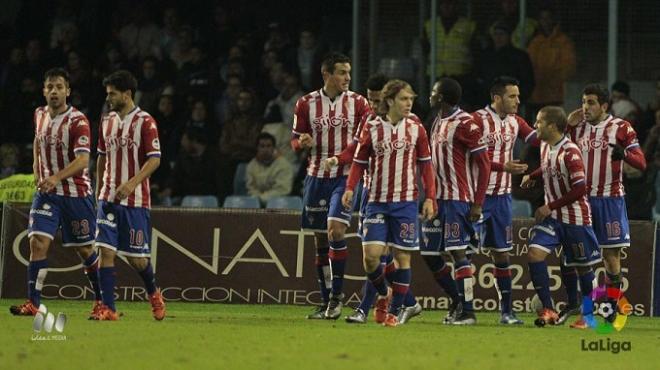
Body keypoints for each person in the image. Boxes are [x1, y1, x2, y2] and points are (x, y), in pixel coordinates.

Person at [328, 74, 422, 325]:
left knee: (385, 257)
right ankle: (403, 301)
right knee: (376, 257)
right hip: (372, 194)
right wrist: (339, 160)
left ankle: (367, 307)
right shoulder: (369, 122)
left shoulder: (413, 125)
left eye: (376, 99)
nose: (372, 104)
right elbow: (357, 152)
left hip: (401, 198)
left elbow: (424, 162)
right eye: (369, 99)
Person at [10, 68, 101, 317]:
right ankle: (33, 303)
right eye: (50, 87)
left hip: (76, 195)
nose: (54, 91)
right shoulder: (39, 114)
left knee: (85, 250)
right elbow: (38, 143)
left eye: (59, 87)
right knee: (37, 244)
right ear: (43, 90)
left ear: (67, 91)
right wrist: (36, 169)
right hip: (47, 195)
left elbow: (83, 160)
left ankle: (102, 300)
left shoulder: (78, 121)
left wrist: (55, 177)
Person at [291, 52, 369, 319]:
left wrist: (338, 159)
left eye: (349, 72)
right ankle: (326, 302)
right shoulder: (305, 103)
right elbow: (294, 140)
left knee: (336, 230)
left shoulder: (359, 103)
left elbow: (361, 143)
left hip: (345, 176)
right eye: (342, 72)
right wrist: (301, 143)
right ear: (327, 75)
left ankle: (337, 298)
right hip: (315, 177)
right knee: (320, 239)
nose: (348, 77)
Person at [562, 85, 646, 327]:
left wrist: (624, 155)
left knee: (611, 257)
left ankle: (609, 310)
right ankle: (585, 314)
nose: (585, 107)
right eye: (583, 101)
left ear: (604, 106)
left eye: (590, 102)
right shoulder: (577, 127)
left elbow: (641, 162)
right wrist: (568, 125)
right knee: (582, 260)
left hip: (610, 200)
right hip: (582, 201)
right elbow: (555, 150)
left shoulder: (621, 128)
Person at [92, 70, 165, 321]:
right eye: (107, 93)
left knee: (137, 259)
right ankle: (109, 308)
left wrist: (131, 184)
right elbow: (101, 156)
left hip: (135, 201)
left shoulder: (146, 122)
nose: (109, 98)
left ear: (127, 94)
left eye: (113, 93)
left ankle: (154, 292)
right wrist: (98, 189)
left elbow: (155, 159)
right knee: (106, 251)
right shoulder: (105, 121)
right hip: (108, 198)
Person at [520, 106, 602, 327]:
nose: (535, 125)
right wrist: (534, 175)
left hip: (575, 219)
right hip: (554, 219)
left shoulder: (571, 152)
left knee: (583, 268)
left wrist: (550, 206)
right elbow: (549, 168)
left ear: (553, 126)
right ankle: (548, 309)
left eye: (538, 121)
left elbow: (579, 189)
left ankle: (588, 314)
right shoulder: (546, 147)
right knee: (535, 254)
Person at [422, 77, 491, 325]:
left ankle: (468, 312)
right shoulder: (437, 121)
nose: (429, 95)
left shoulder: (466, 123)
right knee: (429, 252)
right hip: (438, 200)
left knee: (458, 253)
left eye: (433, 91)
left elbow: (483, 165)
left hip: (457, 199)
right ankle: (457, 299)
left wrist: (478, 203)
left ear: (441, 96)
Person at [471, 76, 539, 324]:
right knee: (463, 254)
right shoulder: (477, 120)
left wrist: (565, 128)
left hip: (501, 199)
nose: (517, 101)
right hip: (476, 196)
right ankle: (463, 309)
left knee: (502, 255)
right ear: (496, 97)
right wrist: (504, 167)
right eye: (512, 96)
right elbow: (471, 156)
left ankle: (507, 312)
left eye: (518, 96)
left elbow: (540, 139)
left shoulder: (515, 122)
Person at [526, 7, 576, 119]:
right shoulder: (535, 42)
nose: (545, 22)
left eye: (548, 18)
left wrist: (553, 77)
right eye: (543, 18)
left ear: (554, 20)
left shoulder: (563, 41)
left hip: (553, 95)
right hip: (535, 94)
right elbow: (528, 65)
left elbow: (569, 66)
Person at [246, 132, 294, 206]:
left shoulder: (284, 165)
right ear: (257, 148)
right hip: (256, 204)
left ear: (274, 148)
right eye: (262, 146)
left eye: (269, 146)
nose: (265, 149)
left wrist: (261, 198)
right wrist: (257, 199)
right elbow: (251, 188)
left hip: (279, 204)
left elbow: (283, 190)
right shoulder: (251, 165)